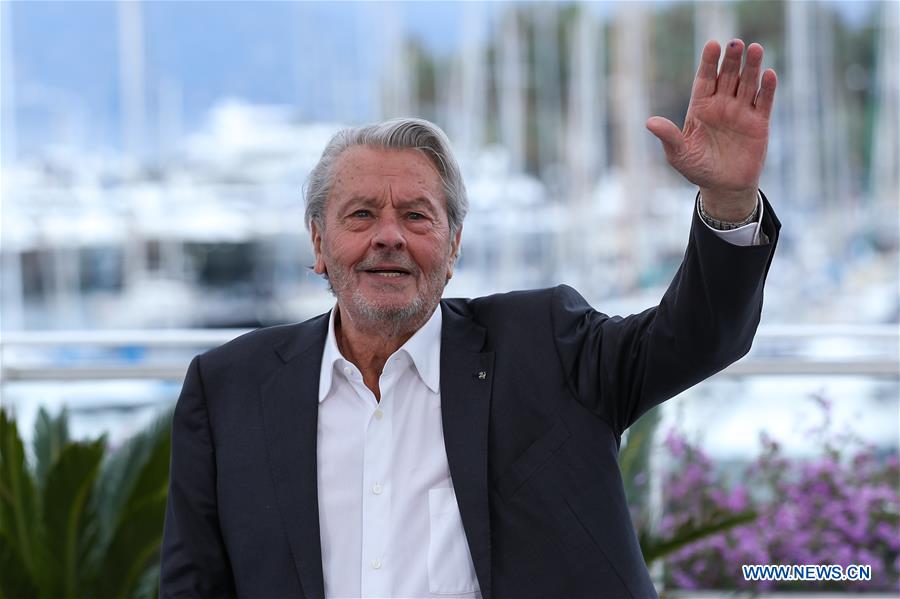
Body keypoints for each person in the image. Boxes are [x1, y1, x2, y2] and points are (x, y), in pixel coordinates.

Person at [160, 39, 780, 598]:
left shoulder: (547, 347)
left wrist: (728, 203)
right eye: (359, 216)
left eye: (417, 216)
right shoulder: (227, 391)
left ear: (454, 246)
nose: (389, 237)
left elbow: (699, 336)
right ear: (318, 244)